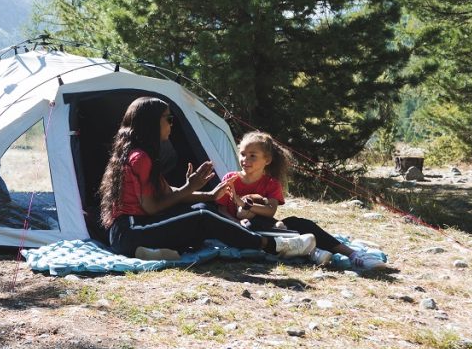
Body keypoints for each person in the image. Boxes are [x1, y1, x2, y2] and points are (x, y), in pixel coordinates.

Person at [99, 97, 317, 260]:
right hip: (132, 231)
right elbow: (152, 207)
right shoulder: (141, 158)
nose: (171, 124)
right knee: (203, 217)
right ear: (152, 123)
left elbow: (167, 194)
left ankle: (152, 252)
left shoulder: (138, 154)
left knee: (202, 207)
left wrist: (209, 193)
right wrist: (189, 187)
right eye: (168, 118)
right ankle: (276, 245)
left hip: (131, 232)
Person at [217, 131, 385, 270]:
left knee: (298, 223)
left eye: (253, 156)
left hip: (268, 225)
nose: (246, 160)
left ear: (266, 160)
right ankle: (312, 250)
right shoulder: (230, 179)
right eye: (243, 154)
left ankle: (352, 254)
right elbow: (221, 209)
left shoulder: (271, 183)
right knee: (252, 225)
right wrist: (236, 223)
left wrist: (246, 205)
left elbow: (270, 211)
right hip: (242, 227)